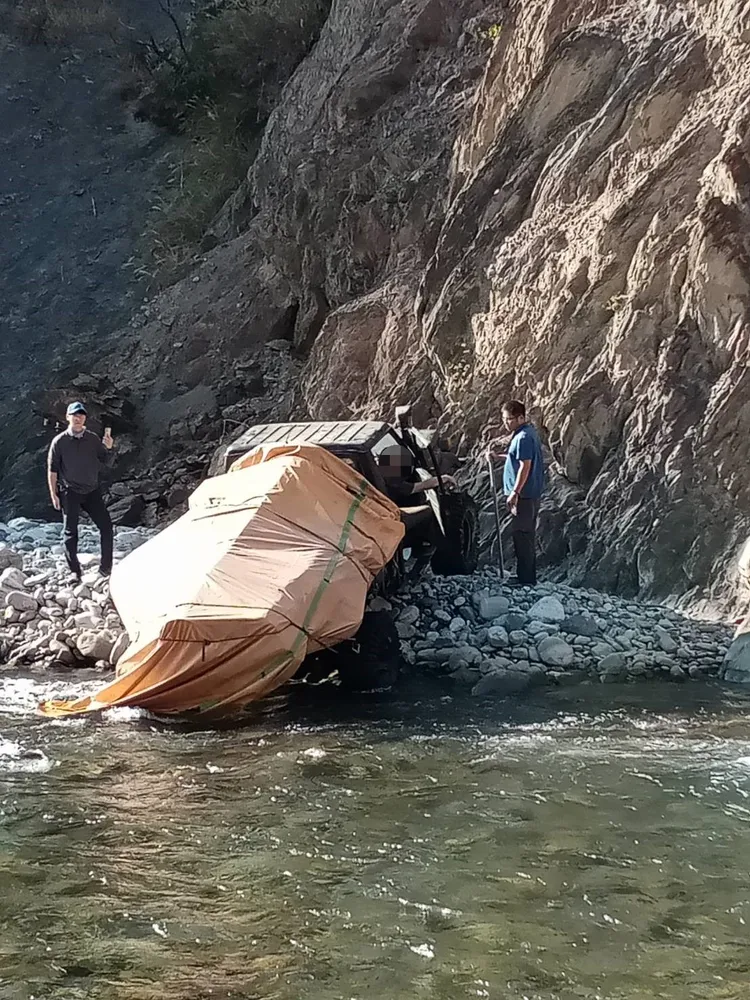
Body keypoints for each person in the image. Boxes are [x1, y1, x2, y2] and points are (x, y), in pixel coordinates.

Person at [47, 401, 115, 582]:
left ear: (85, 418)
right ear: (67, 417)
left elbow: (106, 461)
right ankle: (75, 572)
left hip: (92, 490)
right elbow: (52, 469)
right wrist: (54, 494)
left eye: (81, 415)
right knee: (70, 533)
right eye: (74, 415)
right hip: (70, 491)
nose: (78, 418)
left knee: (107, 527)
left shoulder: (92, 439)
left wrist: (108, 448)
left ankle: (106, 568)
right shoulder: (59, 442)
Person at [489, 400, 545, 587]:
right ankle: (525, 576)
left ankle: (526, 579)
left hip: (525, 495)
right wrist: (499, 457)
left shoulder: (523, 437)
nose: (506, 423)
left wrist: (515, 492)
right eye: (504, 419)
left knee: (523, 535)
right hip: (527, 494)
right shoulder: (524, 434)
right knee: (523, 534)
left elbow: (525, 465)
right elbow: (517, 457)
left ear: (521, 417)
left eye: (510, 419)